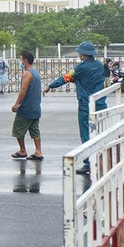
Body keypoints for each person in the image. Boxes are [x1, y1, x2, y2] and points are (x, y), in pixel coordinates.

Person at [43, 41, 107, 174]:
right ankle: (102, 160)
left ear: (83, 55)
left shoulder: (81, 68)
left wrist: (50, 86)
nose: (79, 55)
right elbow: (88, 78)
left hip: (86, 105)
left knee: (86, 134)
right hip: (101, 103)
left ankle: (88, 163)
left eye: (80, 53)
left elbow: (65, 78)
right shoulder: (99, 66)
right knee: (101, 132)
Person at [10, 51, 43, 161]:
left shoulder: (27, 74)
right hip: (36, 108)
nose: (20, 62)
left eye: (21, 60)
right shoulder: (36, 73)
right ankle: (38, 151)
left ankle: (22, 150)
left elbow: (23, 90)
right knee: (35, 131)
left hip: (26, 108)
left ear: (25, 61)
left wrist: (16, 104)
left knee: (18, 130)